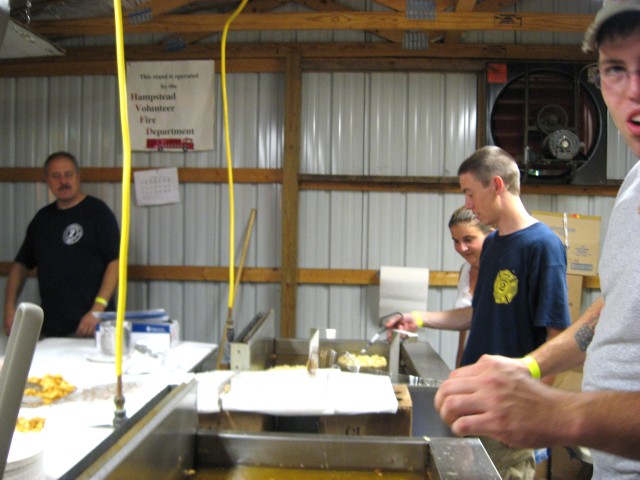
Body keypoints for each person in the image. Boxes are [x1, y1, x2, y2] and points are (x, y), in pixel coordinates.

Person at [433, 1, 640, 478]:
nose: (632, 90)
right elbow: (612, 310)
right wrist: (524, 371)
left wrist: (558, 414)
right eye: (614, 68)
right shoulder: (631, 187)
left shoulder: (540, 245)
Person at [387, 145, 572, 479]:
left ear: (497, 186)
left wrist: (530, 408)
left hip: (507, 405)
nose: (467, 205)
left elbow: (556, 337)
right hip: (473, 399)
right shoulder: (495, 246)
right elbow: (476, 315)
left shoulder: (543, 246)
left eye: (470, 194)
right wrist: (419, 317)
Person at [3, 151, 120, 338]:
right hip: (52, 329)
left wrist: (97, 310)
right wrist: (9, 309)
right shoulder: (42, 220)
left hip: (93, 327)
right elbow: (21, 265)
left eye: (68, 174)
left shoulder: (98, 213)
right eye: (55, 176)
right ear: (47, 181)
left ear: (78, 176)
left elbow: (115, 264)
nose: (63, 181)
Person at [447, 206, 493, 368]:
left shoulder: (503, 273)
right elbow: (464, 335)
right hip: (469, 366)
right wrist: (458, 368)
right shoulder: (465, 270)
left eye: (468, 240)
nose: (461, 248)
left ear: (490, 234)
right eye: (456, 241)